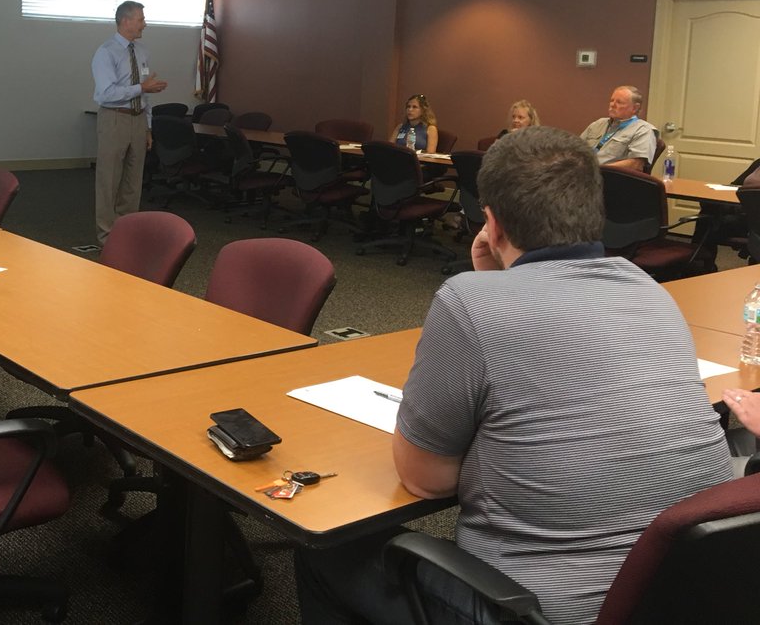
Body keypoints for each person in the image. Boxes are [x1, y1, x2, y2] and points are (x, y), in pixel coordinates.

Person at [296, 127, 733, 625]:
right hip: (680, 596)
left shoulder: (467, 301)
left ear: (492, 223)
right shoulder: (649, 290)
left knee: (324, 551)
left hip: (536, 610)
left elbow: (427, 482)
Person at [91, 0, 167, 245]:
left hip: (137, 120)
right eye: (141, 19)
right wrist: (141, 87)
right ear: (125, 21)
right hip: (115, 119)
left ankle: (125, 233)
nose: (145, 24)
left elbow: (144, 93)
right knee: (109, 180)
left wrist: (148, 126)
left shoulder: (142, 51)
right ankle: (106, 236)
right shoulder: (106, 52)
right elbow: (106, 94)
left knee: (133, 181)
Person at [579, 85, 657, 170]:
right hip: (581, 171)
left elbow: (636, 164)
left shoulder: (643, 130)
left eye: (619, 102)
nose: (612, 105)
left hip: (607, 175)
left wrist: (597, 169)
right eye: (612, 100)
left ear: (635, 108)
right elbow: (576, 148)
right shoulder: (598, 124)